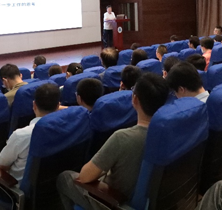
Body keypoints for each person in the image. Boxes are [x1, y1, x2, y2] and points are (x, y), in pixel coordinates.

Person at [56, 73, 170, 210]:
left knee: (64, 178)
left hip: (112, 201)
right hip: (150, 199)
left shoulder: (122, 138)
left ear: (135, 99)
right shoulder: (169, 131)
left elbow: (85, 177)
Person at [0, 84, 62, 204]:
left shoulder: (21, 135)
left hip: (20, 193)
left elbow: (3, 166)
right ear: (58, 105)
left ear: (34, 105)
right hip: (52, 187)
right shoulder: (68, 126)